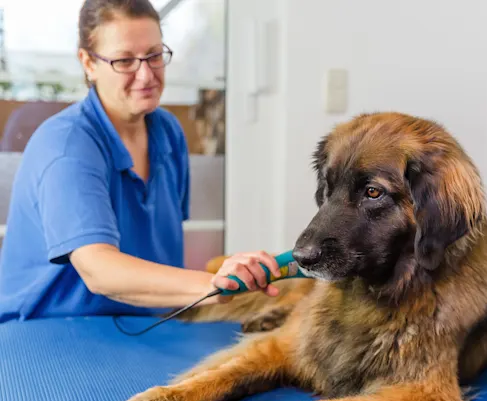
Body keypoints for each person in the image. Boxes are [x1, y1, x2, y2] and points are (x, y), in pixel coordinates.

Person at [0, 0, 280, 323]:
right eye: (125, 61)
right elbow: (99, 270)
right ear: (88, 63)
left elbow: (159, 252)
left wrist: (229, 278)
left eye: (155, 55)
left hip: (142, 326)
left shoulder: (168, 133)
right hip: (47, 332)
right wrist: (214, 284)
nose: (146, 74)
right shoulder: (67, 146)